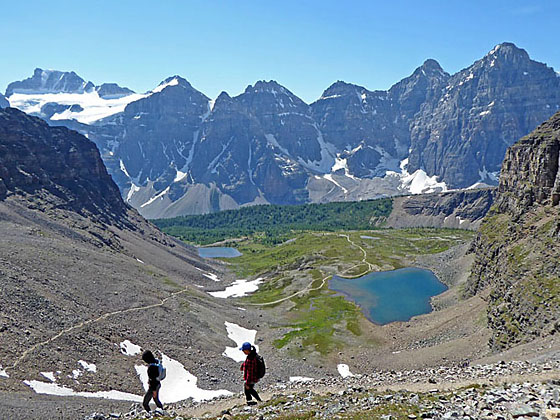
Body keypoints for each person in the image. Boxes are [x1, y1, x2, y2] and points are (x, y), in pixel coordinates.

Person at [240, 341, 262, 406]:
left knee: (248, 388)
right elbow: (247, 364)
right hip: (254, 377)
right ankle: (251, 401)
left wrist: (247, 382)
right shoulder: (252, 355)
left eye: (244, 350)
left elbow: (250, 372)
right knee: (248, 389)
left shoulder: (251, 359)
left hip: (252, 378)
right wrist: (243, 366)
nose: (243, 351)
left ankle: (255, 400)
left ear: (247, 350)